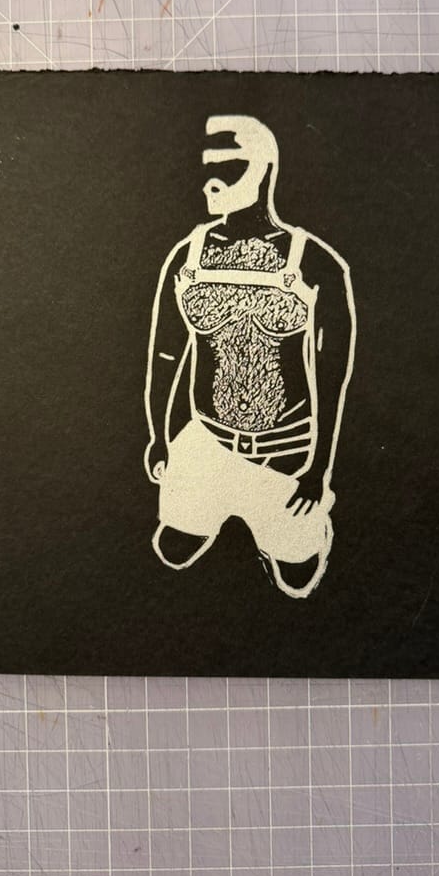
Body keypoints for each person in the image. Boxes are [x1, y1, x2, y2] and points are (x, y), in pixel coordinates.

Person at [144, 115, 355, 598]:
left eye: (227, 165)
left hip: (287, 454)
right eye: (205, 168)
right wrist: (159, 437)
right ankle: (211, 503)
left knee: (298, 575)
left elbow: (333, 374)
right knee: (172, 548)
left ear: (264, 169)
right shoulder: (186, 257)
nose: (211, 181)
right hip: (208, 444)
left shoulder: (313, 262)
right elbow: (165, 353)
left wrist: (318, 471)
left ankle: (298, 531)